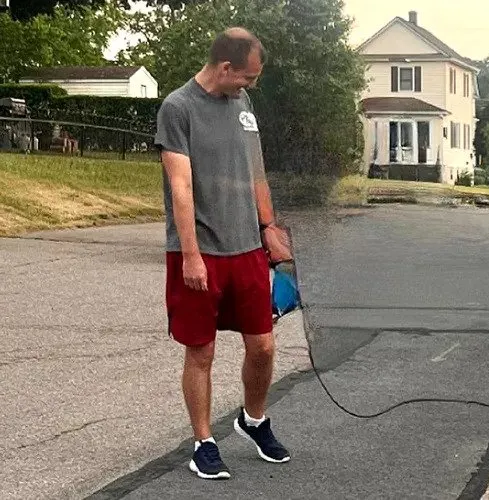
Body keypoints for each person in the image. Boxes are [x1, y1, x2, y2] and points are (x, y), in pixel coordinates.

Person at [154, 27, 293, 480]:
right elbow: (180, 185)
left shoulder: (243, 104)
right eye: (247, 78)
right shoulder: (178, 108)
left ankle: (252, 420)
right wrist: (191, 254)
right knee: (201, 352)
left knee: (264, 346)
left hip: (248, 248)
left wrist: (269, 227)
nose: (250, 86)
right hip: (200, 252)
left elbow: (256, 170)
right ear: (225, 67)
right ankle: (204, 442)